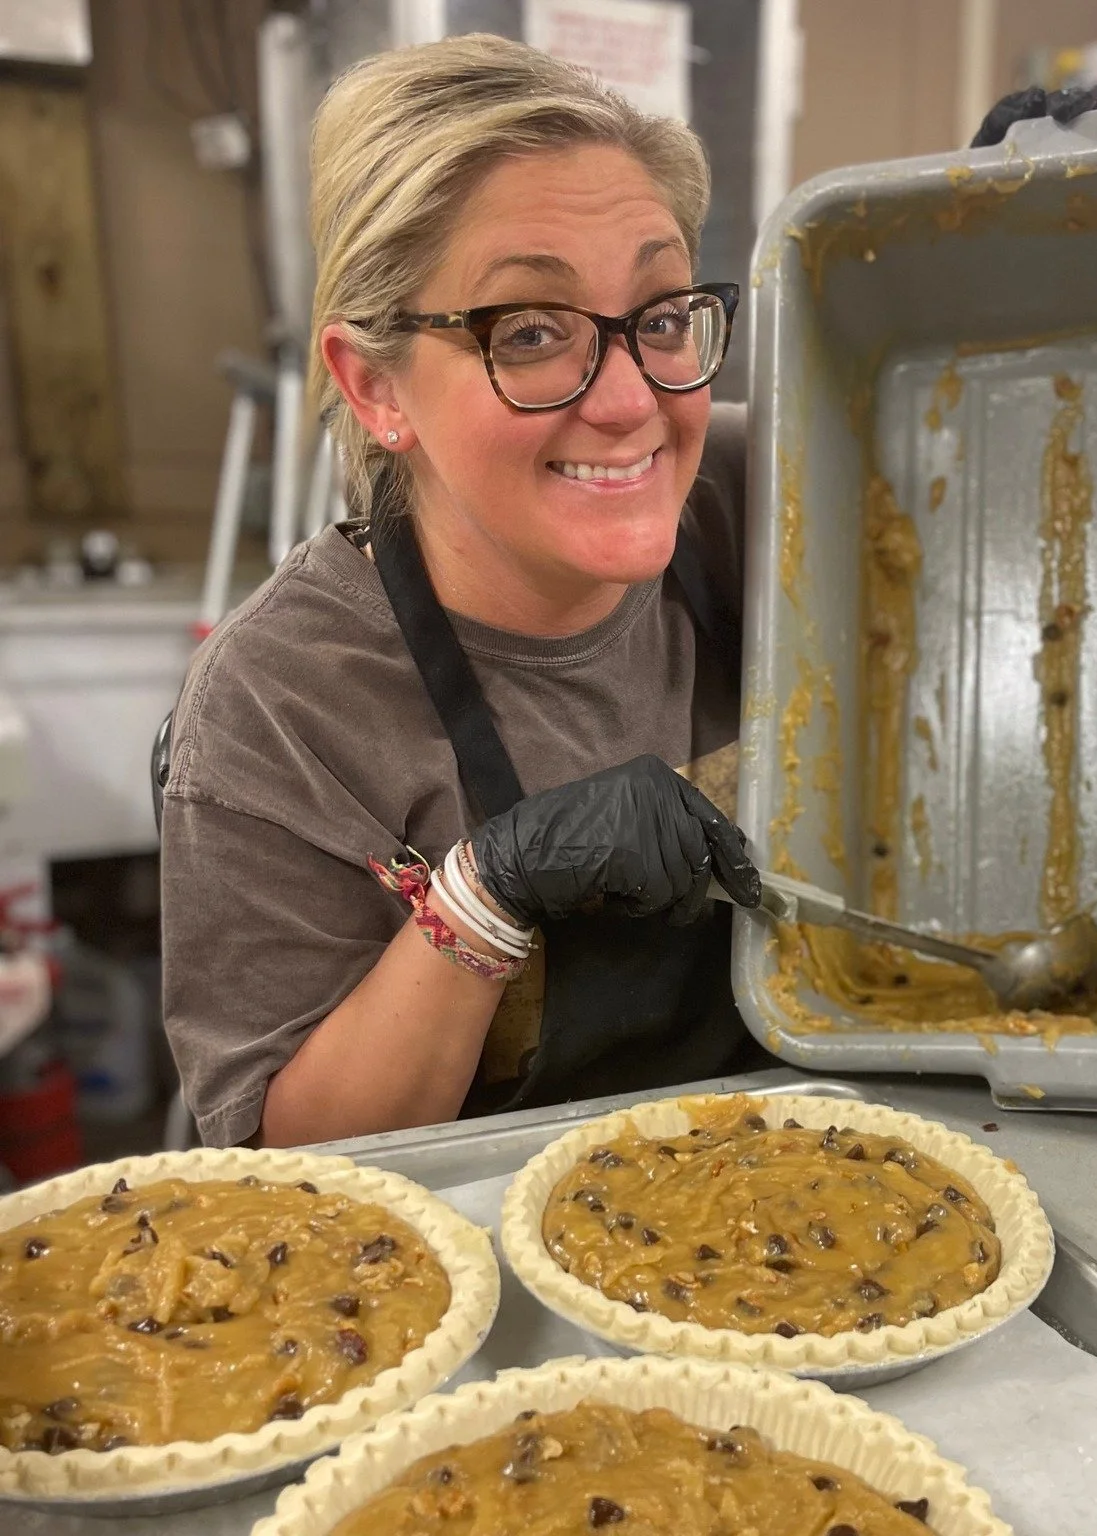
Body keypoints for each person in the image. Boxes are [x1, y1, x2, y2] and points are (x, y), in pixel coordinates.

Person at [159, 34, 770, 1149]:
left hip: (785, 1180)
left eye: (664, 315)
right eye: (530, 332)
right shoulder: (281, 703)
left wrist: (979, 246)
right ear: (376, 385)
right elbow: (286, 1164)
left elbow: (977, 479)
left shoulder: (759, 491)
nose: (633, 402)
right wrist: (486, 894)